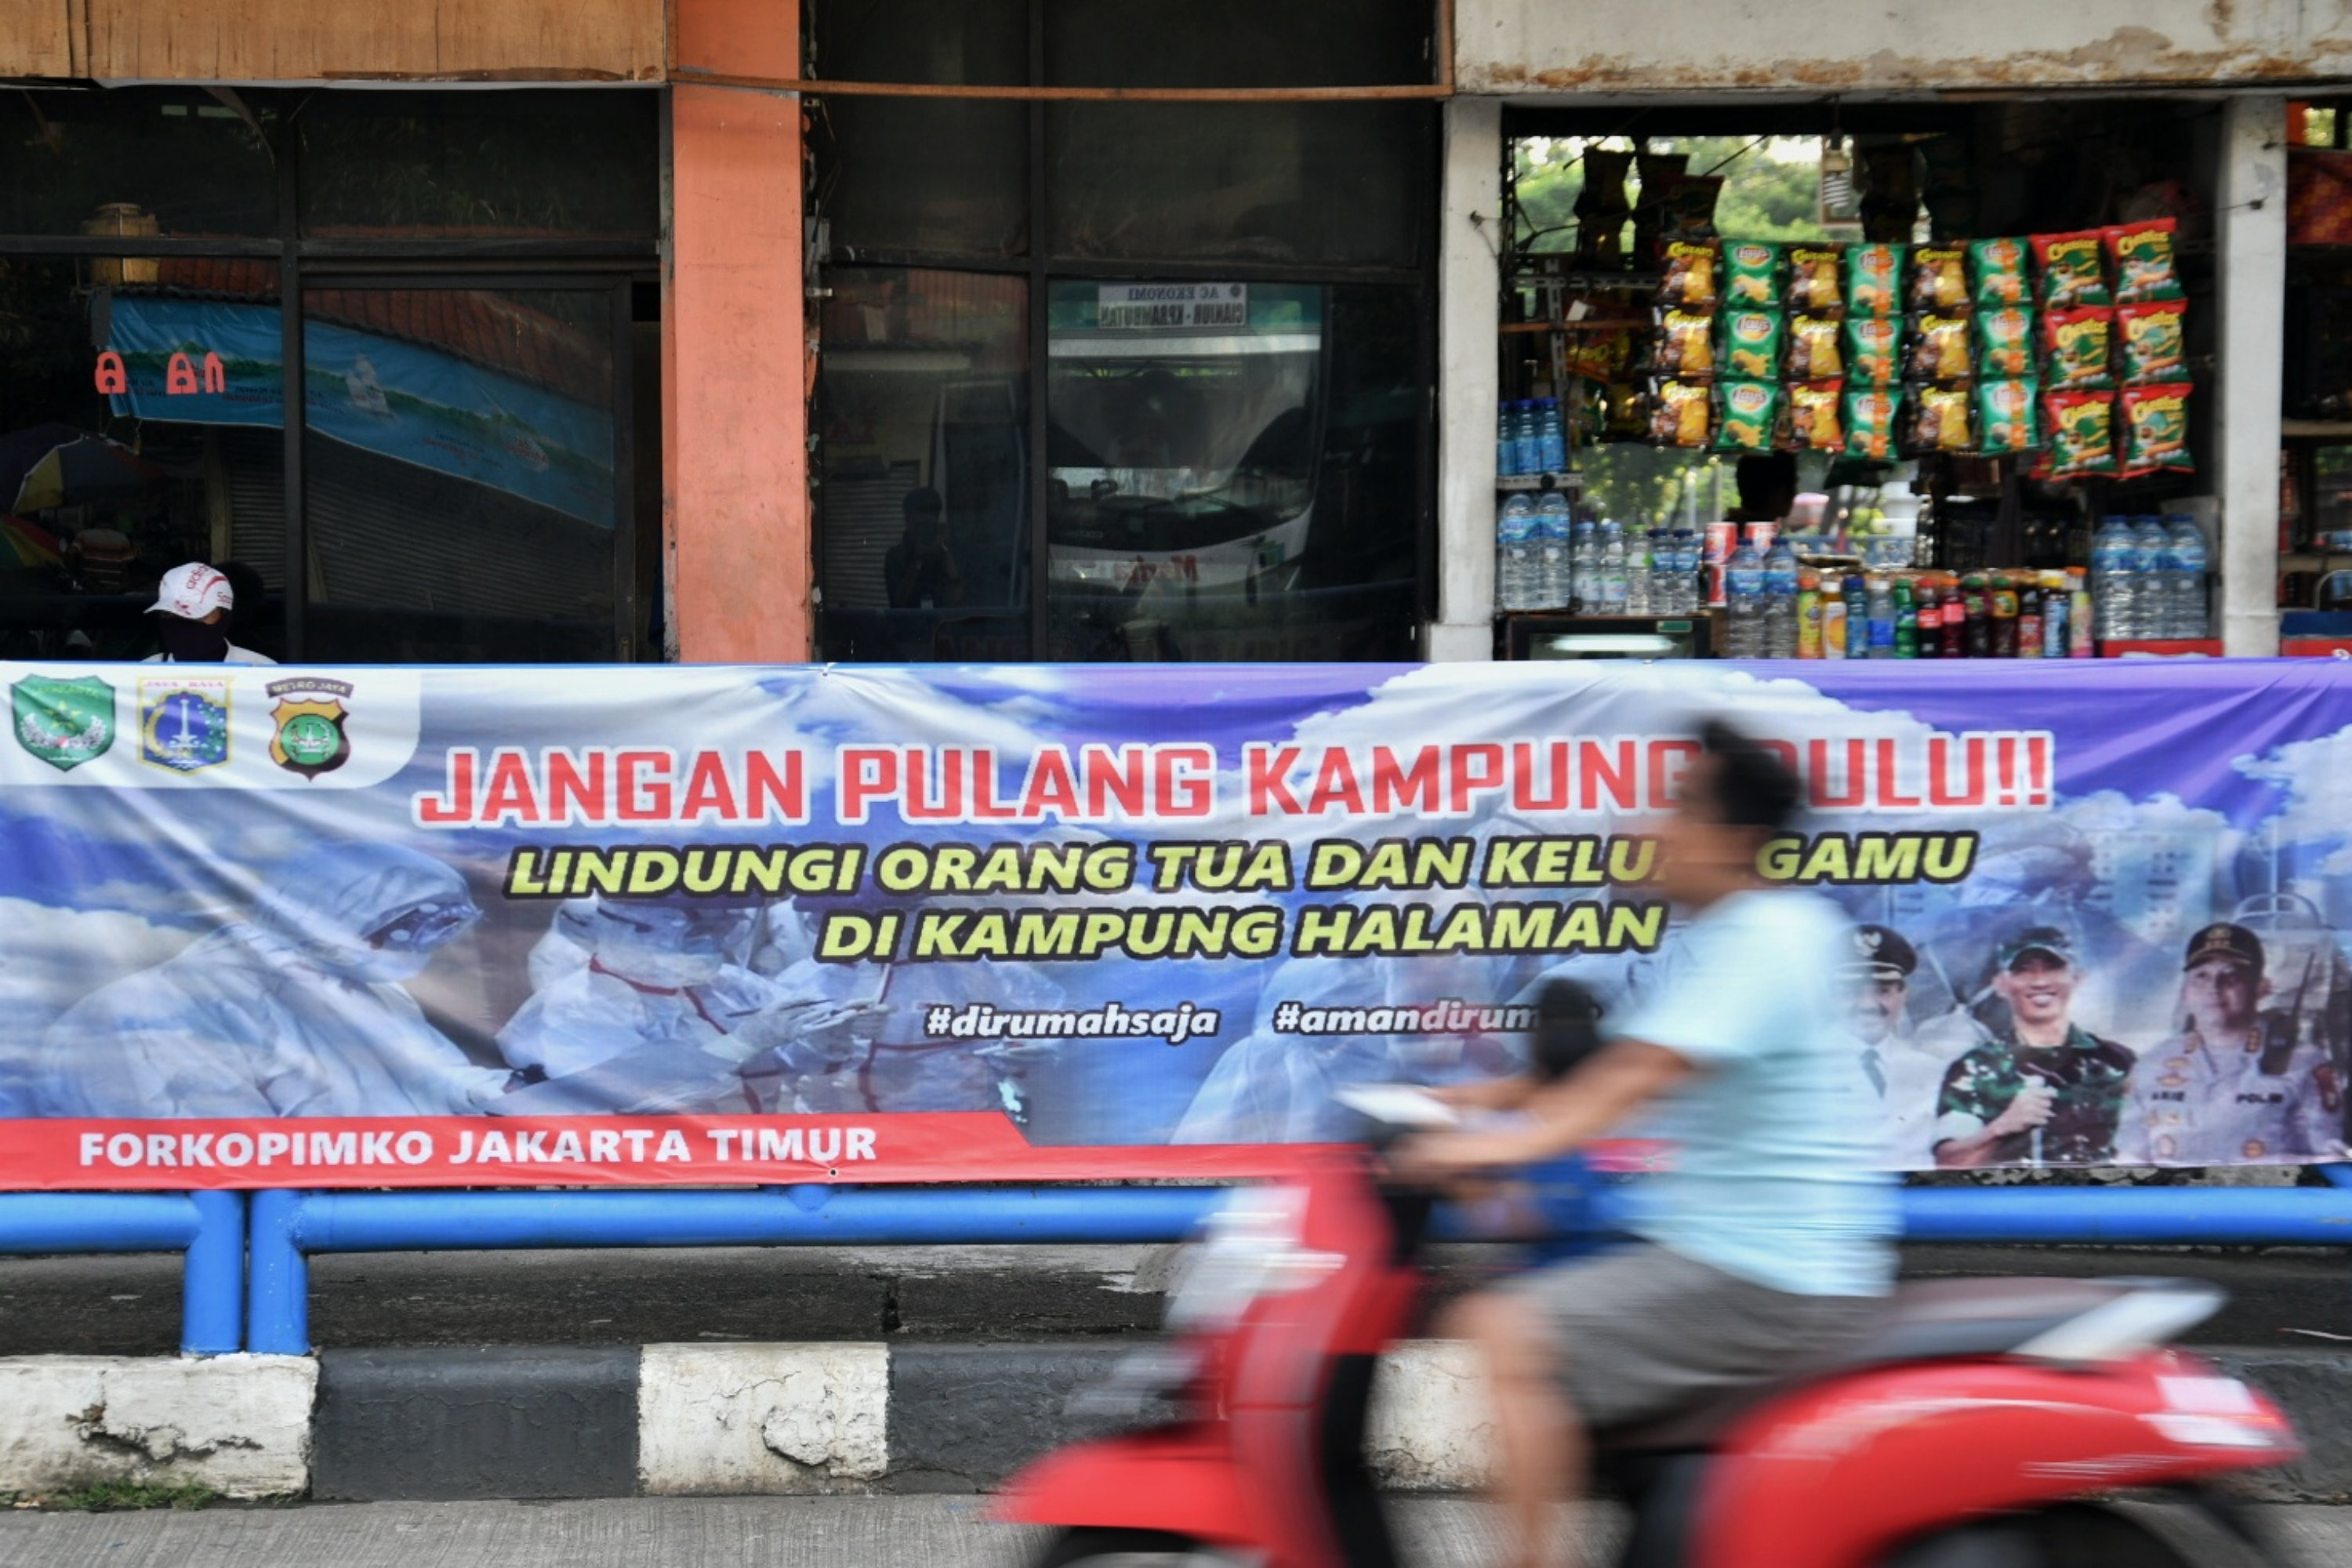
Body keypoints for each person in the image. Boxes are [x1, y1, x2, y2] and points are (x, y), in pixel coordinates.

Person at [1396, 722, 1894, 1568]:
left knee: (1499, 1326)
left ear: (1737, 840)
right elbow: (1601, 1067)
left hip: (1761, 1273)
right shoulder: (1733, 935)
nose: (1651, 826)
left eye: (1680, 806)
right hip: (1731, 1250)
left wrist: (1490, 1149)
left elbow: (1634, 1079)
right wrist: (1451, 1104)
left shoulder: (1768, 940)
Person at [30, 843, 507, 1117]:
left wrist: (498, 1094)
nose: (424, 948)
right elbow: (219, 1154)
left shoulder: (365, 988)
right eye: (404, 928)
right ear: (323, 919)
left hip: (364, 1225)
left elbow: (430, 1077)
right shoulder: (160, 1009)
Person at [499, 894, 880, 1111]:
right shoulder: (575, 1005)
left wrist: (828, 1035)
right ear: (635, 929)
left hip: (753, 1165)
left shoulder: (728, 983)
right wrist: (740, 1043)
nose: (715, 940)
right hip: (657, 1185)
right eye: (701, 931)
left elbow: (787, 1051)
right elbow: (617, 1096)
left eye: (723, 928)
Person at [2118, 923, 2343, 1165]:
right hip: (2176, 1199)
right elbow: (2131, 1161)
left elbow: (2329, 1163)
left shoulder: (2304, 1063)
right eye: (2201, 976)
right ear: (2185, 992)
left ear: (2260, 988)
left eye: (2231, 977)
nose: (2213, 988)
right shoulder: (2153, 1064)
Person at [1932, 926, 2135, 1168]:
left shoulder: (2118, 1062)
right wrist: (2002, 1128)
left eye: (2053, 968)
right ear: (2000, 984)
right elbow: (1949, 1163)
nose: (2039, 981)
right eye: (2023, 971)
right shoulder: (1974, 1068)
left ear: (2078, 978)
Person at [1843, 923, 1983, 1170]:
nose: (1867, 1005)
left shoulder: (1935, 1072)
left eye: (1882, 991)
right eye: (1852, 992)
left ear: (1903, 994)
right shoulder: (1799, 1072)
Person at [142, 561, 275, 665]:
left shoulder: (262, 672)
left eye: (198, 615)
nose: (182, 624)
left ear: (225, 616)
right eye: (170, 614)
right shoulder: (141, 675)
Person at [883, 488, 962, 611]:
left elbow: (958, 601)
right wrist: (917, 561)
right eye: (919, 526)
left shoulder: (946, 551)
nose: (924, 532)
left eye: (928, 526)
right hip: (909, 627)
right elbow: (897, 604)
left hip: (942, 626)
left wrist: (946, 551)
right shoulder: (896, 556)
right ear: (907, 522)